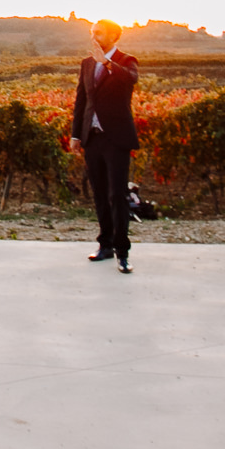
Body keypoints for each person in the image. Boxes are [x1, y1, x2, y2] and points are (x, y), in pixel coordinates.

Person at [69, 18, 140, 274]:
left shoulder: (126, 60)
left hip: (116, 139)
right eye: (92, 32)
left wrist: (107, 63)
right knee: (99, 194)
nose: (93, 36)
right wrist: (76, 134)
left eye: (98, 33)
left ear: (113, 36)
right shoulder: (87, 64)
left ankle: (123, 252)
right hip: (93, 138)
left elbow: (130, 80)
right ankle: (105, 245)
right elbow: (81, 100)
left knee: (117, 196)